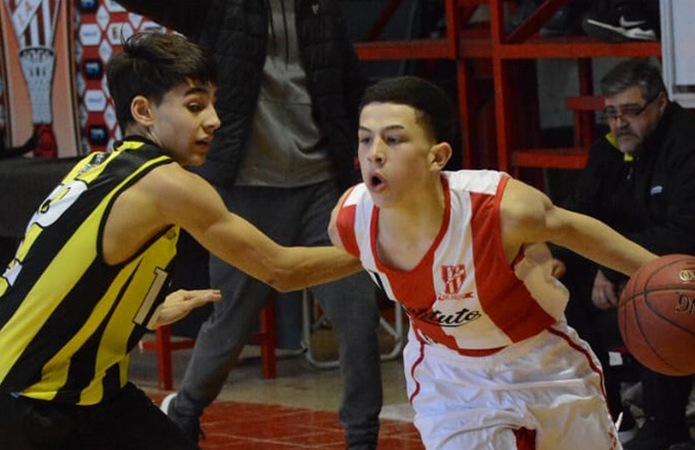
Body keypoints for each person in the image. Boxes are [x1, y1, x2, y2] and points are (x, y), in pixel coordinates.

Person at [0, 31, 364, 450]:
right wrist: (381, 251)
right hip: (29, 400)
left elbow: (57, 275)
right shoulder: (165, 184)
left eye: (212, 103)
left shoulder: (99, 165)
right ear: (144, 111)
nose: (214, 120)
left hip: (91, 391)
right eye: (195, 106)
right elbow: (280, 269)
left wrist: (141, 310)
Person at [328, 74, 660, 450]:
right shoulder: (348, 222)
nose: (374, 152)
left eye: (392, 139)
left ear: (438, 156)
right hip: (451, 376)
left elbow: (580, 232)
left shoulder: (501, 208)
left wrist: (670, 273)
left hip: (541, 360)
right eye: (365, 138)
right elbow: (288, 268)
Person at [114, 2, 384, 448]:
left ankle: (362, 438)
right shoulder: (223, 7)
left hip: (321, 185)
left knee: (357, 317)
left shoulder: (321, 9)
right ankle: (183, 413)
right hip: (246, 186)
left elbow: (352, 84)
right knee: (230, 322)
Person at [553, 59, 695, 450]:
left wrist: (613, 268)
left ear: (660, 103)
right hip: (629, 271)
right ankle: (609, 412)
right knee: (557, 286)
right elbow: (579, 212)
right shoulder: (610, 150)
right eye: (611, 113)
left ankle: (666, 425)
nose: (619, 123)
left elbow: (687, 236)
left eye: (631, 111)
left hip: (694, 281)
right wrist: (554, 255)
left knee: (657, 301)